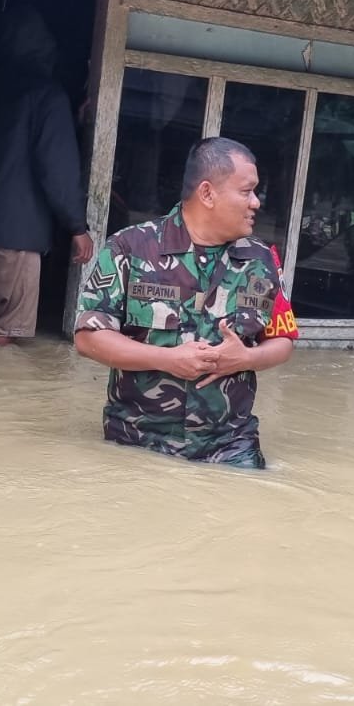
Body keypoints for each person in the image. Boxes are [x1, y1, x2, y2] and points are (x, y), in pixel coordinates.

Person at [73, 137, 300, 469]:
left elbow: (283, 340)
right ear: (207, 193)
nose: (256, 203)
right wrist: (166, 359)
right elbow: (87, 338)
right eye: (246, 191)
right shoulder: (130, 248)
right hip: (137, 440)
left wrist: (246, 358)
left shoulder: (260, 259)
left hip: (231, 444)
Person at [0, 4, 92, 346]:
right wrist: (77, 227)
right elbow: (56, 168)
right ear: (45, 48)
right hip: (14, 239)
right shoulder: (46, 95)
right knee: (2, 333)